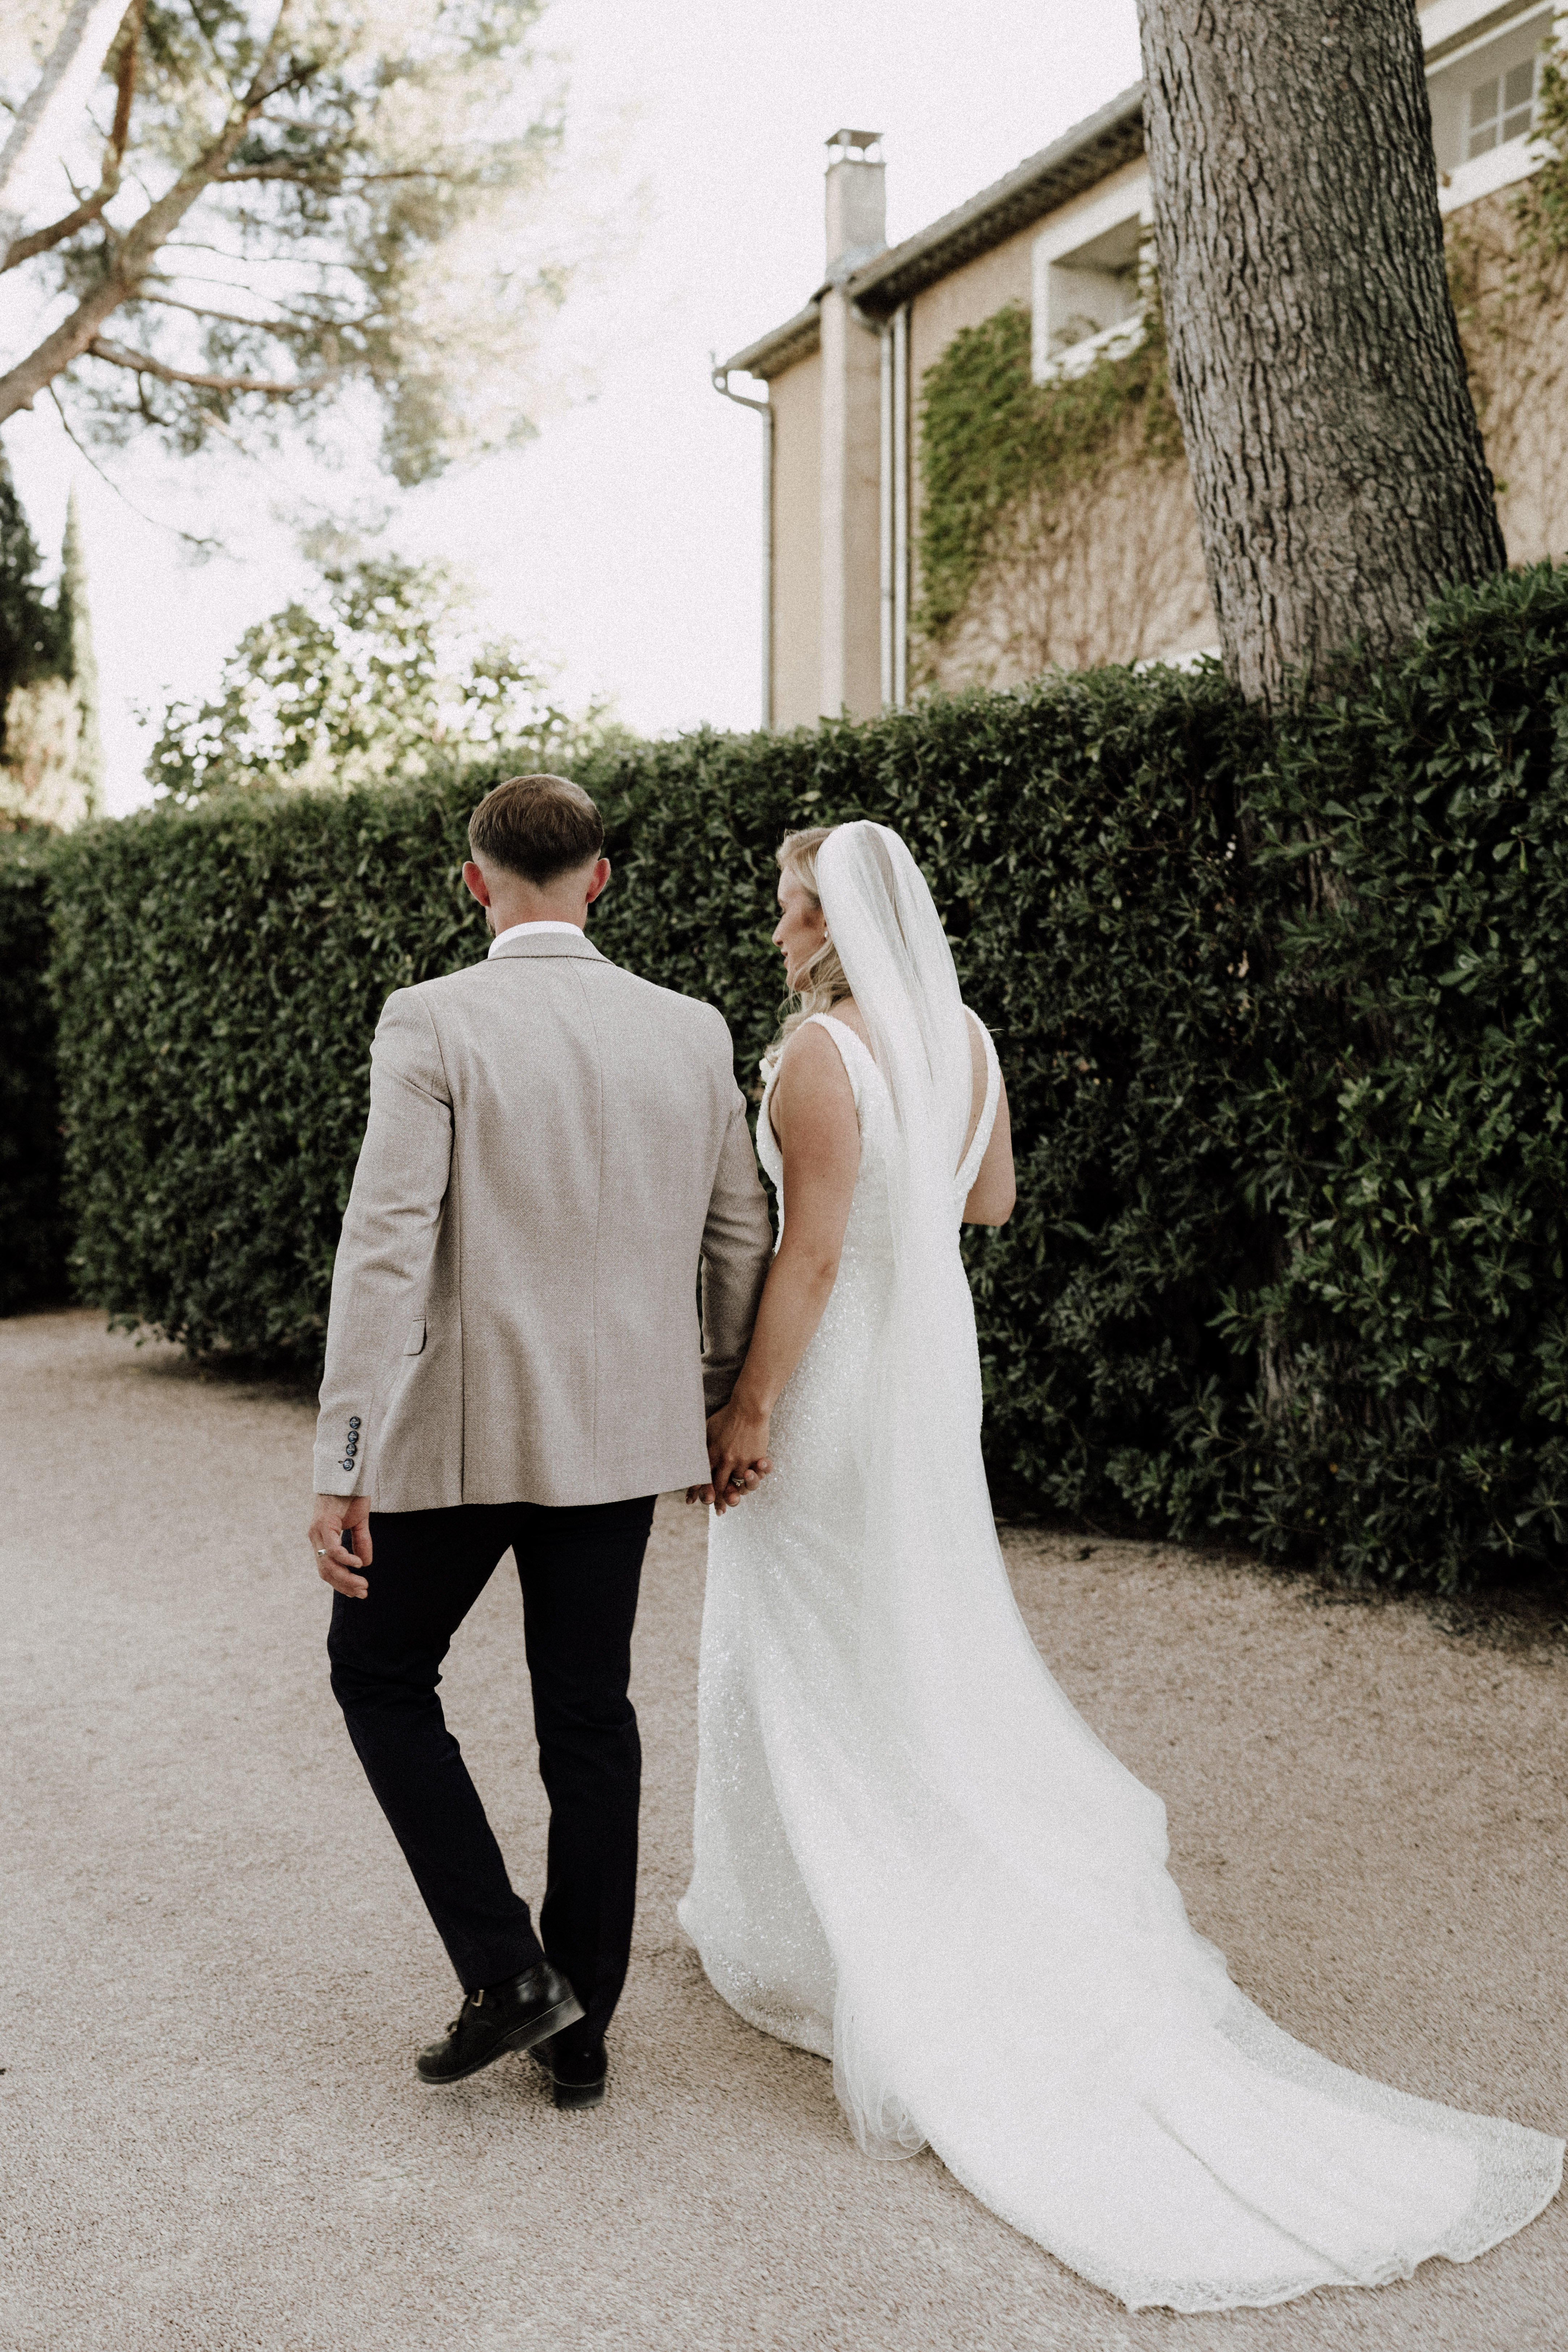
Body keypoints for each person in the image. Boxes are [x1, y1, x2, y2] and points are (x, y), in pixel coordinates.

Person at [679, 818, 1563, 2313]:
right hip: (932, 1368)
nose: (779, 931)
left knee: (808, 1631)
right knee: (910, 1627)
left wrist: (747, 1400)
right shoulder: (958, 1031)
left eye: (790, 908)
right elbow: (989, 1203)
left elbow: (813, 1257)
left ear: (838, 920)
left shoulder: (816, 1061)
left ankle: (812, 1933)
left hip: (838, 1378)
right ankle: (837, 1888)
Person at [307, 774, 773, 2111]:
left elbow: (383, 1247)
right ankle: (583, 2027)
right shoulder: (687, 1030)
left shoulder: (432, 1019)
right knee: (590, 1715)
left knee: (378, 1672)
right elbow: (739, 1233)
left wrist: (341, 1457)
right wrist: (718, 1397)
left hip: (460, 1432)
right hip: (623, 1438)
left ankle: (509, 1971)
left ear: (476, 883)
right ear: (600, 877)